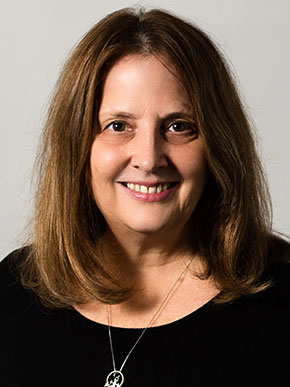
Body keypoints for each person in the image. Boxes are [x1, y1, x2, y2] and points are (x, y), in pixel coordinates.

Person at [1, 7, 290, 387]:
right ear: (78, 146)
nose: (150, 158)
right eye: (118, 126)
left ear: (219, 143)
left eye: (178, 126)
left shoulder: (282, 301)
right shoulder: (12, 294)